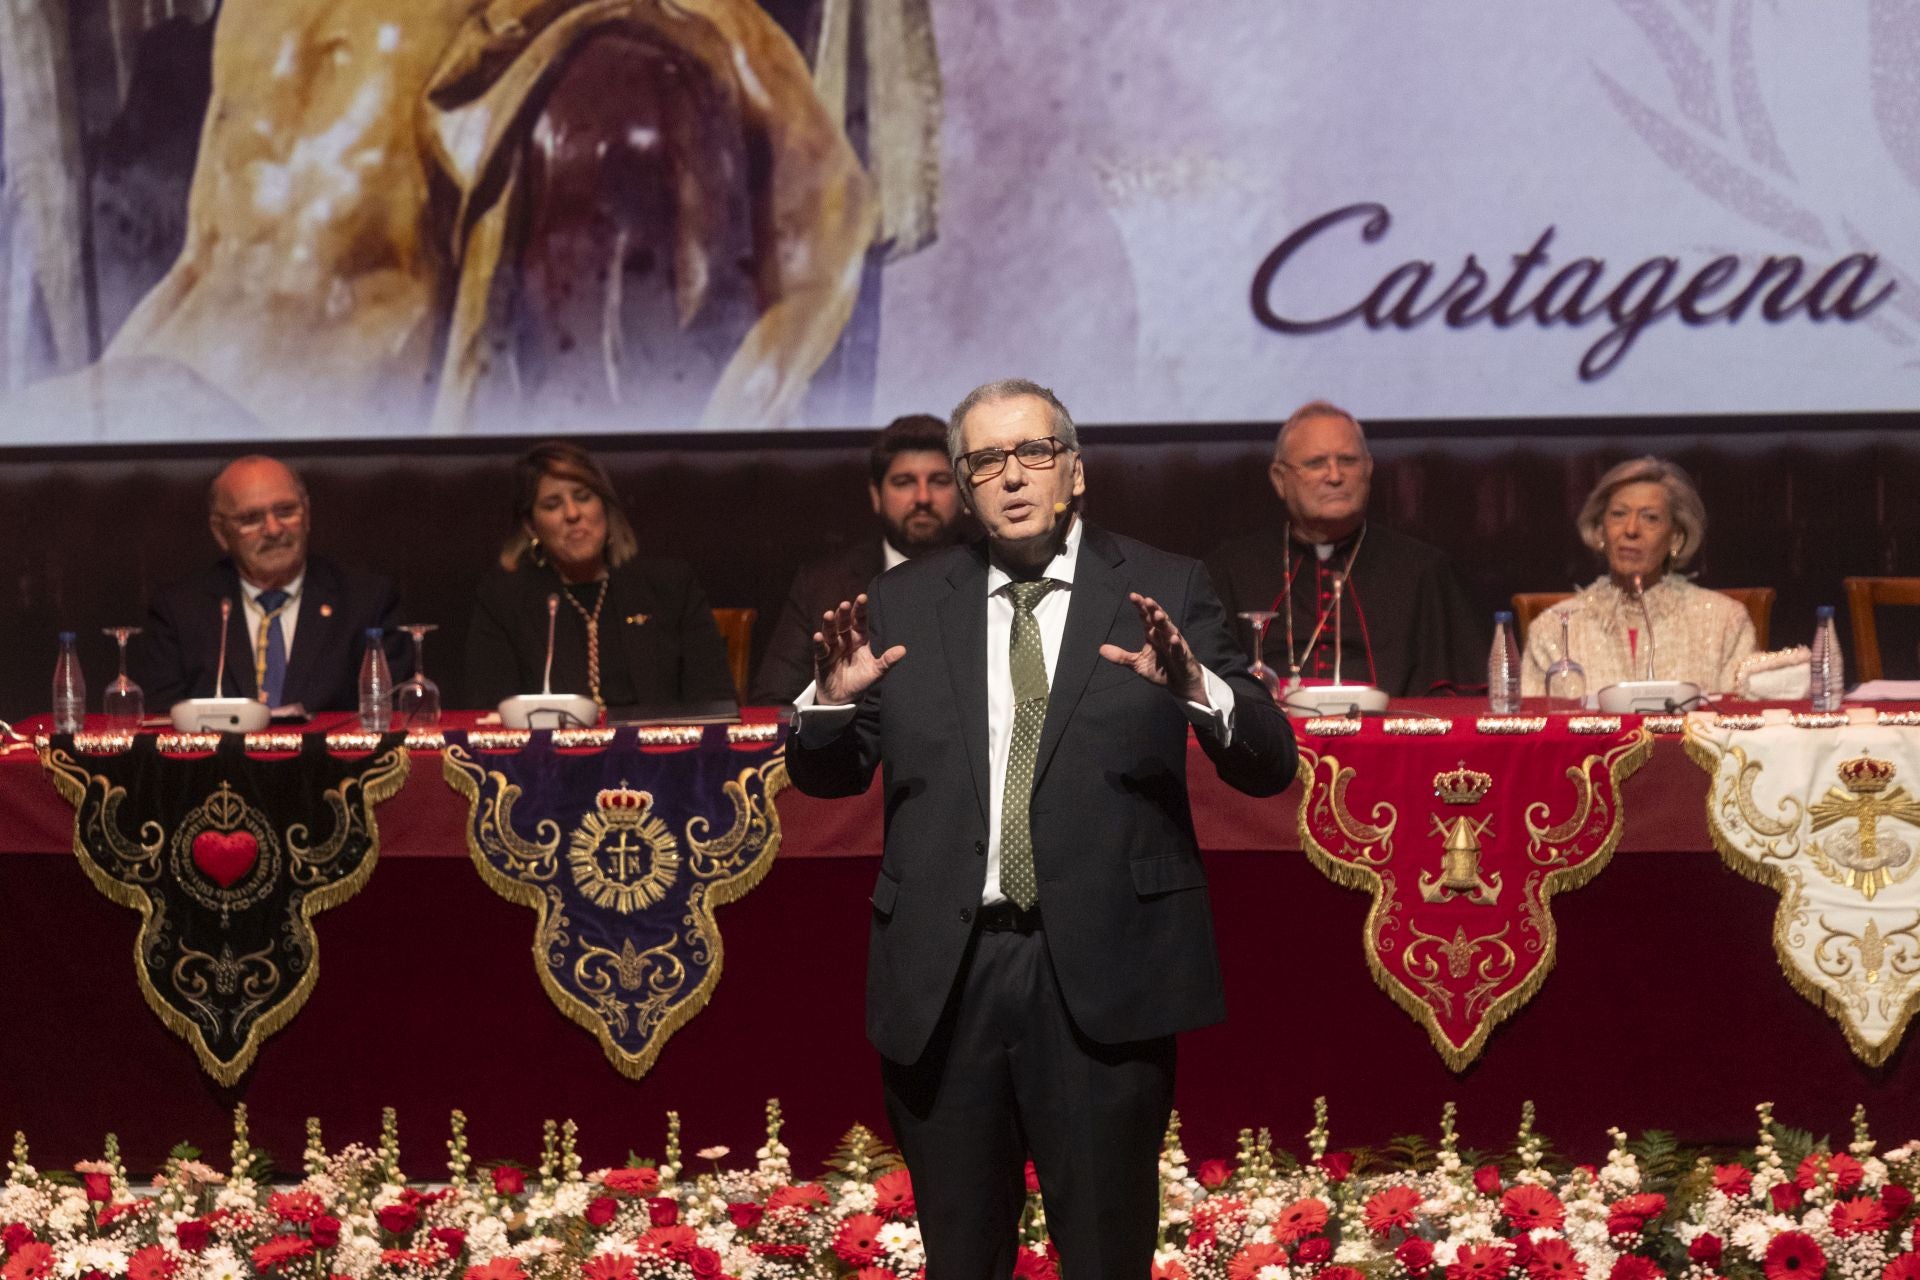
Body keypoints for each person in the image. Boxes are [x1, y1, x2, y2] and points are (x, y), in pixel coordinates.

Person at [787, 379, 1294, 1279]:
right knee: (961, 1257)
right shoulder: (904, 601)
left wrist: (1196, 689)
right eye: (985, 460)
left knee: (1105, 1253)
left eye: (1033, 453)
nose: (1011, 476)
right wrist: (827, 704)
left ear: (1075, 472)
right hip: (947, 975)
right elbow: (827, 777)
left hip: (1101, 969)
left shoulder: (1161, 586)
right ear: (963, 485)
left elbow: (1266, 761)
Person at [1204, 400, 1485, 696]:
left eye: (1348, 461)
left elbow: (1459, 697)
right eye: (1316, 463)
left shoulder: (1423, 571)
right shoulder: (1232, 570)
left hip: (1386, 738)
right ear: (1279, 479)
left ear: (1368, 470)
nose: (1335, 477)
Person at [464, 442, 736, 712]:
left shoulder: (670, 587)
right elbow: (490, 715)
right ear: (531, 526)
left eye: (583, 496)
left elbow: (715, 704)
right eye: (552, 504)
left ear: (604, 507)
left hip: (663, 752)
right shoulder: (505, 602)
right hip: (553, 755)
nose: (572, 514)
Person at [133, 455, 407, 713]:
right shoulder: (179, 610)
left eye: (286, 511)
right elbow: (161, 726)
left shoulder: (366, 602)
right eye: (251, 519)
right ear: (221, 533)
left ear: (307, 514)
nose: (274, 530)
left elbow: (390, 715)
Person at [749, 414, 966, 703]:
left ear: (964, 493)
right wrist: (828, 703)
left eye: (939, 481)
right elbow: (773, 702)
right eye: (904, 482)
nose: (923, 497)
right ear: (876, 496)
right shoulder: (822, 583)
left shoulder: (993, 573)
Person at [1522, 456, 1755, 695]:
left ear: (1676, 537)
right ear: (1600, 530)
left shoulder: (1725, 622)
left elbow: (1740, 722)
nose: (1631, 530)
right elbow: (1532, 725)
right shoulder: (1554, 628)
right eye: (1618, 514)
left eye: (1650, 517)